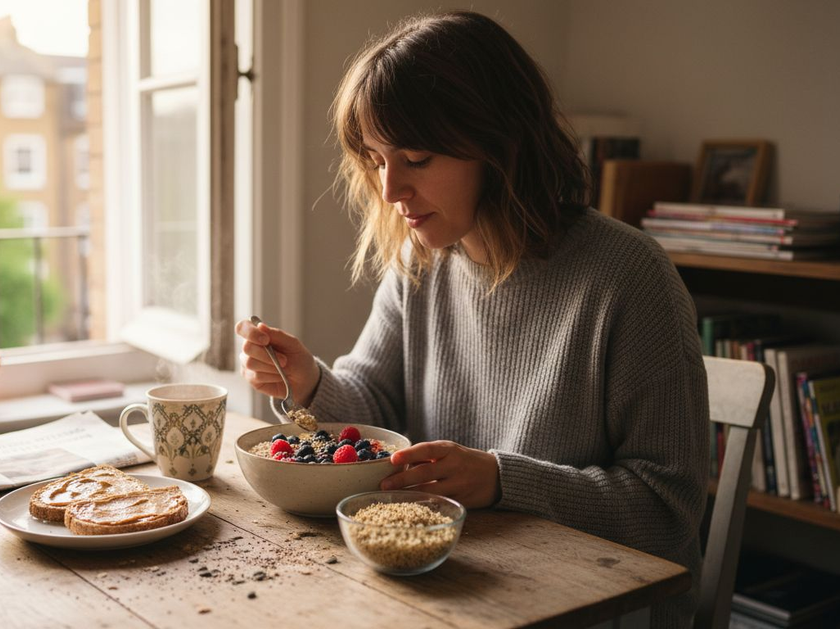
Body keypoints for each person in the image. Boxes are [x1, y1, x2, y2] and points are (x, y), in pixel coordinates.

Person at [235, 10, 707, 627]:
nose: (390, 189)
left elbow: (668, 510)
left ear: (501, 144)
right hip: (451, 590)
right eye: (377, 160)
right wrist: (310, 385)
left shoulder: (628, 277)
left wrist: (502, 480)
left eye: (417, 157)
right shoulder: (420, 262)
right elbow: (374, 406)